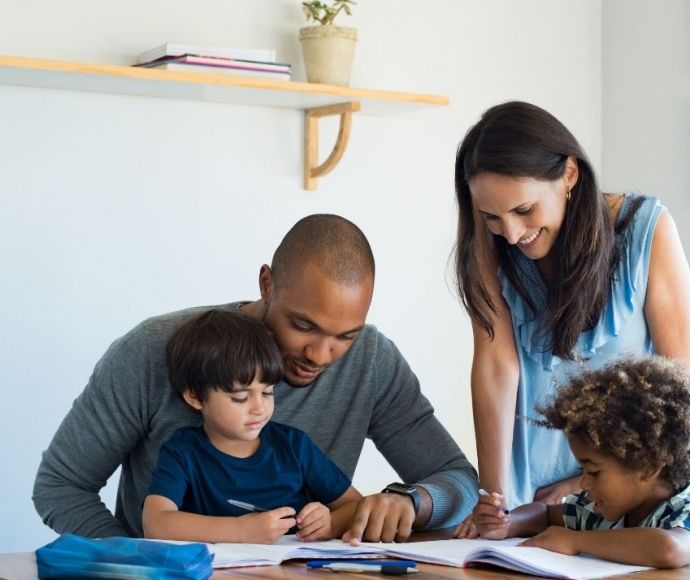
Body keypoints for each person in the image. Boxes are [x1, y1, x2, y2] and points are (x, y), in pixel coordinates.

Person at [34, 214, 477, 543]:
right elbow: (61, 486)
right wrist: (138, 564)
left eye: (345, 336)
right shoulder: (153, 351)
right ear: (267, 283)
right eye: (303, 326)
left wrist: (411, 501)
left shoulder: (371, 360)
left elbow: (457, 480)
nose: (321, 355)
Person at [451, 101, 690, 538]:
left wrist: (586, 482)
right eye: (493, 217)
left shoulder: (646, 229)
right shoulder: (490, 249)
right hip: (530, 501)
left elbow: (680, 386)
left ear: (569, 174)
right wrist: (494, 499)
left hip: (634, 496)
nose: (511, 233)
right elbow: (496, 369)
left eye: (524, 210)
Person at [476, 356, 690, 566]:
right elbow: (543, 514)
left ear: (648, 466)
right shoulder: (601, 512)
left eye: (593, 472)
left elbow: (668, 549)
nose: (583, 483)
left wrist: (574, 541)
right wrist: (507, 523)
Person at [143, 309, 362, 544]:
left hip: (293, 575)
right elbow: (156, 523)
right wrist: (241, 530)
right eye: (240, 398)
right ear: (195, 396)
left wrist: (330, 523)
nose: (259, 408)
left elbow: (356, 505)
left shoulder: (293, 446)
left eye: (267, 392)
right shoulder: (183, 451)